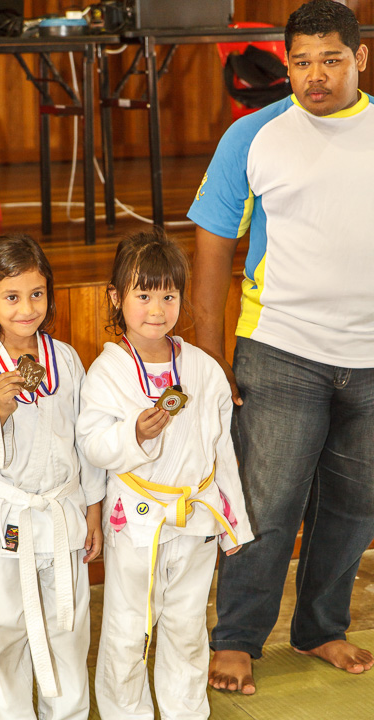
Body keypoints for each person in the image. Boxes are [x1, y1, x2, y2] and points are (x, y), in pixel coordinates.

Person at [187, 0, 374, 697]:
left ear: (360, 58)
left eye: (330, 59)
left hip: (371, 357)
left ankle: (320, 627)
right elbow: (213, 246)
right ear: (286, 66)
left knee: (355, 505)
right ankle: (237, 638)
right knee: (264, 506)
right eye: (301, 62)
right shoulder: (252, 136)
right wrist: (209, 355)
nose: (314, 75)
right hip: (280, 349)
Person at [76, 229, 254, 720]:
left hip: (194, 519)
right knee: (128, 630)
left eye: (169, 296)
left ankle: (186, 712)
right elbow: (91, 445)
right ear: (116, 297)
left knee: (186, 628)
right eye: (143, 296)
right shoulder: (106, 372)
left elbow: (221, 452)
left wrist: (231, 522)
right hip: (136, 523)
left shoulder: (203, 369)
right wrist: (133, 434)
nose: (157, 310)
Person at [0, 233, 105, 720]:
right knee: (1, 634)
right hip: (4, 517)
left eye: (36, 294)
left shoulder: (67, 359)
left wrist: (93, 511)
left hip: (61, 513)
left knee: (67, 632)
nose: (27, 308)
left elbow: (87, 441)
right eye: (11, 297)